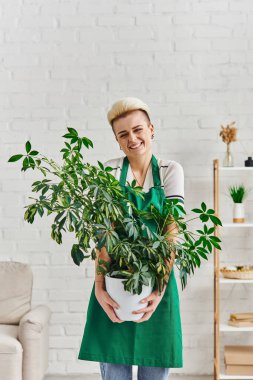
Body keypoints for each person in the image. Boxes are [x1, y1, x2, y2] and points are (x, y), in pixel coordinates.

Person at [78, 97, 184, 380]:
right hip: (115, 284)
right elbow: (105, 236)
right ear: (117, 141)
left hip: (156, 284)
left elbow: (170, 234)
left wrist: (158, 290)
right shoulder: (111, 171)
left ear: (151, 129)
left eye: (138, 129)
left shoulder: (171, 171)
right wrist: (100, 287)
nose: (132, 138)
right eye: (123, 134)